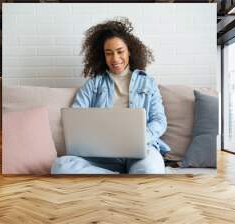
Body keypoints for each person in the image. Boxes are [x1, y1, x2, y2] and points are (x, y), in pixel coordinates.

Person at [51, 17, 170, 174]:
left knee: (150, 169)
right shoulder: (93, 84)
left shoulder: (148, 83)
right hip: (101, 154)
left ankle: (109, 179)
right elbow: (76, 118)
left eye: (120, 51)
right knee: (60, 166)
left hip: (140, 151)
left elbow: (159, 121)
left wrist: (140, 138)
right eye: (109, 53)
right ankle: (119, 178)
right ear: (103, 56)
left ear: (129, 51)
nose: (115, 59)